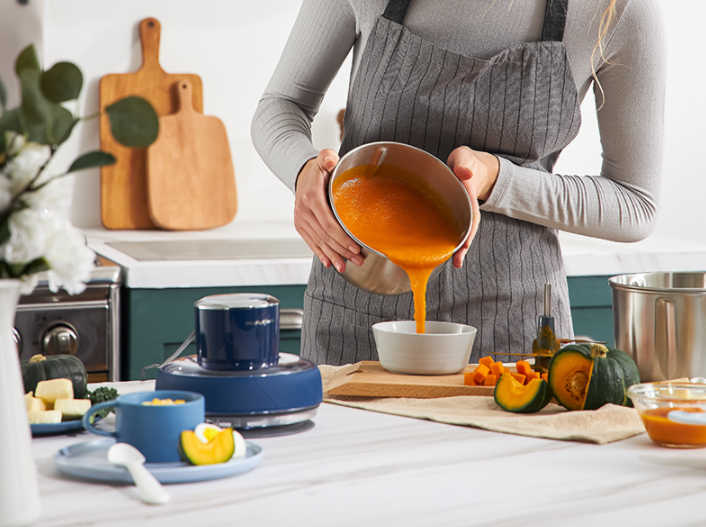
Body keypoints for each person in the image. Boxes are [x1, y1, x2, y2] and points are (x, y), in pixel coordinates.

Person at [251, 0, 666, 366]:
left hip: (511, 336)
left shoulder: (618, 10)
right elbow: (281, 106)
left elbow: (635, 204)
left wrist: (497, 179)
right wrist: (304, 170)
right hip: (353, 311)